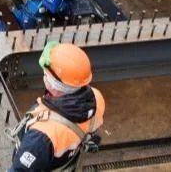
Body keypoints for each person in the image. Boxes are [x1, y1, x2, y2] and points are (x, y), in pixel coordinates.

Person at [7, 41, 105, 172]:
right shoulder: (97, 98)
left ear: (53, 85)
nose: (44, 76)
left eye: (46, 74)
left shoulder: (41, 136)